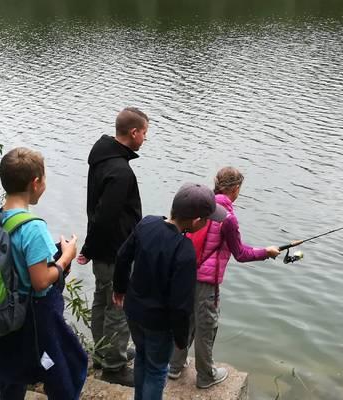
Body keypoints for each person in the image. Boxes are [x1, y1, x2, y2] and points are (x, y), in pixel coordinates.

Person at [168, 167, 280, 389]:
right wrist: (266, 252)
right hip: (207, 283)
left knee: (185, 319)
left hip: (185, 275)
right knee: (206, 327)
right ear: (236, 189)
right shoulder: (228, 219)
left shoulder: (198, 205)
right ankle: (205, 376)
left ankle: (174, 365)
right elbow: (240, 254)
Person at [113, 183, 227, 400]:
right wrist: (181, 338)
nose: (207, 223)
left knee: (142, 358)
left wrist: (119, 289)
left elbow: (122, 257)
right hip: (159, 323)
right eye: (207, 219)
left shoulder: (147, 223)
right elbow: (180, 304)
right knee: (157, 370)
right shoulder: (184, 250)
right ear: (196, 221)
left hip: (134, 312)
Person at [0, 147, 87, 399]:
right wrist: (66, 256)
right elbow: (41, 281)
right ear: (35, 183)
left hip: (8, 312)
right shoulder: (33, 228)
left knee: (11, 374)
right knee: (69, 367)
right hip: (35, 318)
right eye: (44, 179)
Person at [77, 107, 149, 386]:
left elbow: (97, 211)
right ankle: (114, 366)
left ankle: (103, 352)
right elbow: (106, 216)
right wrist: (89, 247)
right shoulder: (120, 171)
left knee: (101, 300)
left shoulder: (102, 158)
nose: (145, 138)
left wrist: (89, 248)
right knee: (118, 305)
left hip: (103, 249)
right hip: (117, 251)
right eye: (144, 133)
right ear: (133, 133)